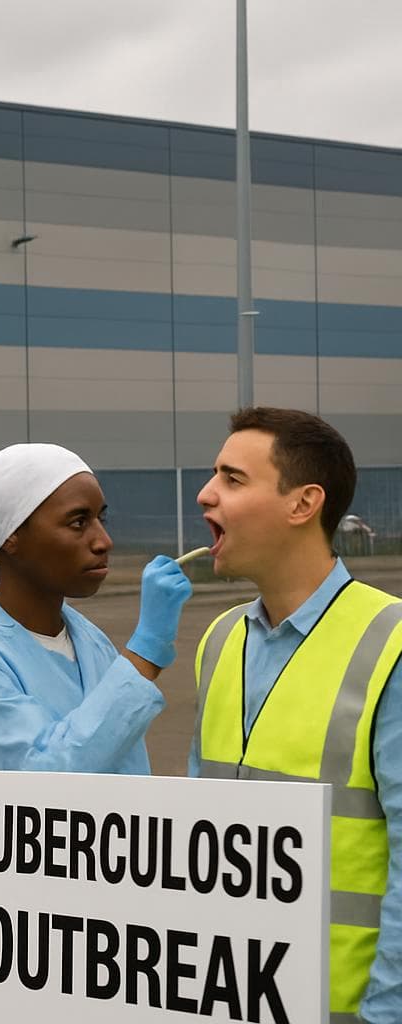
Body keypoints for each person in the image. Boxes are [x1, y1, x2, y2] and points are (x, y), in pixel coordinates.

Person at [191, 407, 402, 1023]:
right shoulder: (220, 640)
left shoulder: (390, 645)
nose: (206, 494)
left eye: (232, 479)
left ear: (303, 503)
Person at [0, 443, 193, 774]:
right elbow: (46, 779)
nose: (104, 541)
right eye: (78, 522)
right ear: (10, 536)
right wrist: (146, 651)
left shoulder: (90, 641)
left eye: (101, 518)